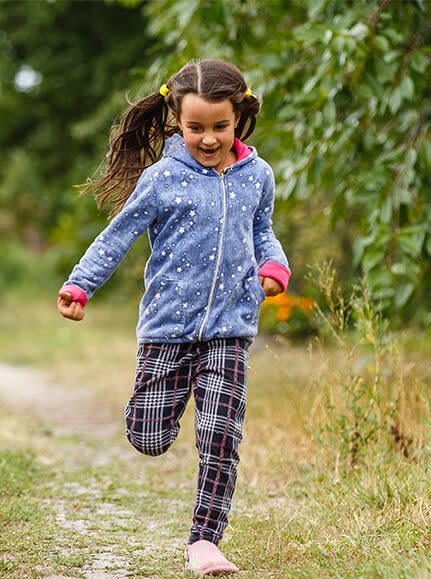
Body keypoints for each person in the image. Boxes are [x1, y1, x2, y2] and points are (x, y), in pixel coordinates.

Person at [56, 59, 290, 576]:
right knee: (150, 437)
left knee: (221, 436)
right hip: (167, 330)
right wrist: (80, 284)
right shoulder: (162, 179)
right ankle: (162, 406)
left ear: (240, 117)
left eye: (220, 127)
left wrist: (274, 266)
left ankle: (204, 542)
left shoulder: (258, 177)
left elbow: (263, 232)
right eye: (195, 128)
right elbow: (117, 236)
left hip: (231, 328)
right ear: (177, 122)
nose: (208, 139)